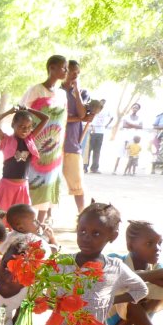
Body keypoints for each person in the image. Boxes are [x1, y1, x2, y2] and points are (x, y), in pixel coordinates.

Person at [22, 55, 70, 225]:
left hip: (54, 150)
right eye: (63, 67)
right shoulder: (36, 91)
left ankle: (40, 226)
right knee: (31, 184)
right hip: (35, 146)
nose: (66, 71)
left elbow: (62, 120)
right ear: (51, 68)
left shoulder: (63, 94)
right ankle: (25, 222)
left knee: (48, 184)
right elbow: (22, 114)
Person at [0, 105, 49, 213]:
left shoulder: (30, 138)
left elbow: (45, 118)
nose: (25, 129)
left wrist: (28, 109)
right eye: (21, 126)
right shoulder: (5, 139)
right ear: (13, 125)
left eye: (29, 127)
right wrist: (9, 112)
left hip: (22, 187)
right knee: (2, 217)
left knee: (21, 218)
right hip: (7, 187)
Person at [61, 60, 90, 213]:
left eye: (78, 73)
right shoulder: (56, 91)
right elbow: (55, 118)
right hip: (54, 144)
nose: (75, 75)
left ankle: (81, 215)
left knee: (77, 185)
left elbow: (82, 114)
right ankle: (48, 216)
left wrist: (77, 92)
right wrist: (75, 118)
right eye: (72, 71)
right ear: (64, 71)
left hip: (72, 144)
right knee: (51, 183)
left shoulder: (83, 92)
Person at [113, 103, 143, 175]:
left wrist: (130, 124)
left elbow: (141, 127)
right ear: (131, 108)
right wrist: (135, 125)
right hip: (125, 137)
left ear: (138, 109)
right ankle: (115, 170)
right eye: (134, 107)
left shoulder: (140, 118)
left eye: (137, 108)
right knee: (120, 153)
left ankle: (129, 171)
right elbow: (124, 125)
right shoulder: (126, 117)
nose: (135, 109)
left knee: (132, 155)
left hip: (134, 138)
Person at [86, 102, 113, 173]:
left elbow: (112, 117)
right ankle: (85, 167)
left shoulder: (106, 110)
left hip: (101, 132)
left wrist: (106, 125)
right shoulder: (93, 109)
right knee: (88, 150)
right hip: (92, 131)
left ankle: (94, 168)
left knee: (97, 151)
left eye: (103, 103)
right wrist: (91, 126)